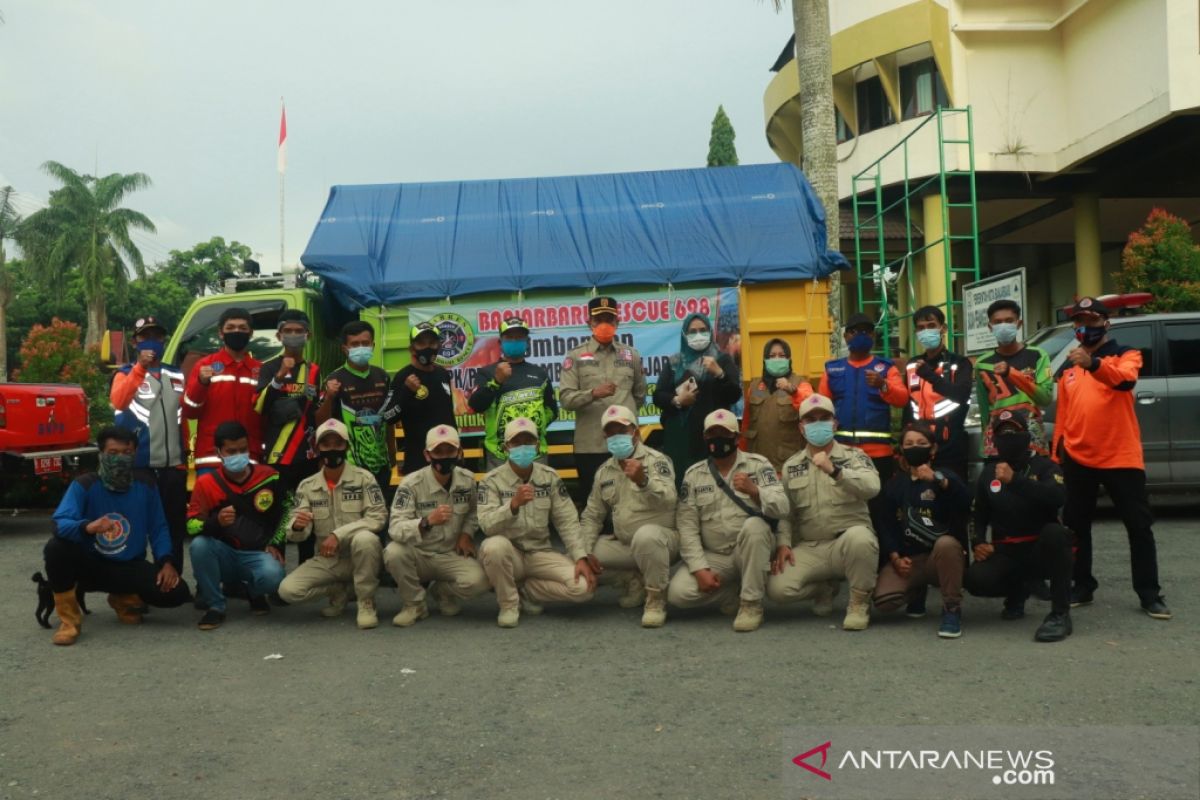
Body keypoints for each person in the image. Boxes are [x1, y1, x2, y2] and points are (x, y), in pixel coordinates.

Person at [1052, 297, 1170, 619]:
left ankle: (1149, 594)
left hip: (1121, 456)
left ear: (1106, 323)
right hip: (1078, 457)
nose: (1084, 328)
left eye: (1091, 321)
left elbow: (1124, 381)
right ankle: (1082, 585)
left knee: (1138, 526)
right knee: (1075, 527)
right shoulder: (1069, 366)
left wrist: (1093, 364)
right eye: (1078, 322)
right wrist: (1056, 452)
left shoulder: (1126, 354)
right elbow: (1064, 413)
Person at [44, 426, 191, 646]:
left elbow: (159, 527)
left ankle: (122, 596)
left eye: (127, 453)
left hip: (128, 565)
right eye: (113, 453)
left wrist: (166, 562)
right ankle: (70, 620)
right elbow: (59, 523)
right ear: (101, 454)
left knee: (177, 592)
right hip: (89, 565)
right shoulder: (84, 484)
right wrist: (86, 527)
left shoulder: (146, 485)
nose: (120, 458)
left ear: (135, 455)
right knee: (56, 548)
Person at [666, 409, 788, 633]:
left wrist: (756, 492)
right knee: (678, 594)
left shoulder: (758, 465)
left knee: (755, 526)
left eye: (724, 433)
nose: (717, 439)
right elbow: (687, 526)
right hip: (716, 555)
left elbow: (782, 507)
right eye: (712, 435)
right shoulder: (694, 475)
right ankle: (733, 592)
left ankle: (751, 604)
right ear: (705, 438)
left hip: (749, 550)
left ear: (737, 437)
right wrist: (699, 568)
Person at [767, 394, 881, 631]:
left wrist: (836, 471)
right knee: (777, 589)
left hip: (845, 544)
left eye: (824, 418)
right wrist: (784, 543)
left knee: (861, 538)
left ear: (835, 424)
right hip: (811, 548)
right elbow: (786, 513)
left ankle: (859, 603)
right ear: (801, 427)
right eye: (811, 420)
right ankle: (823, 588)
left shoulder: (854, 456)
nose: (817, 423)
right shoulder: (791, 465)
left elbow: (873, 487)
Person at [965, 409, 1075, 642]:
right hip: (1007, 551)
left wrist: (1016, 481)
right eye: (1002, 434)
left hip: (1040, 549)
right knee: (975, 579)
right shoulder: (988, 474)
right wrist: (978, 542)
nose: (1008, 438)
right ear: (995, 441)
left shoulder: (1044, 467)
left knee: (1057, 534)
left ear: (1026, 436)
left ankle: (1060, 614)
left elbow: (1058, 497)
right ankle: (1018, 590)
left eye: (1014, 432)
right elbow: (978, 514)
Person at [476, 417, 595, 627]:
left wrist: (580, 557)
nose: (523, 447)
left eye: (528, 442)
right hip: (509, 554)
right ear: (506, 447)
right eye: (516, 442)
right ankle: (508, 604)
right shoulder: (491, 481)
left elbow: (567, 520)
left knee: (583, 588)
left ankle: (527, 591)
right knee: (493, 547)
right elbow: (486, 525)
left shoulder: (549, 477)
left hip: (540, 553)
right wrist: (512, 505)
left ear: (538, 445)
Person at [277, 419, 387, 629]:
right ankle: (338, 591)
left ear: (346, 445)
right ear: (318, 448)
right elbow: (296, 534)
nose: (332, 449)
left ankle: (366, 602)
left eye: (338, 443)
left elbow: (378, 517)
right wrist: (298, 526)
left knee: (366, 538)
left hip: (361, 556)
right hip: (329, 560)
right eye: (326, 444)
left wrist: (339, 534)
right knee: (288, 590)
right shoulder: (307, 486)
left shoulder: (364, 478)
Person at [578, 405, 678, 627]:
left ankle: (655, 599)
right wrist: (583, 552)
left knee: (646, 536)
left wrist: (644, 481)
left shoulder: (656, 460)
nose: (616, 436)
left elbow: (670, 499)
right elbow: (592, 515)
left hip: (662, 542)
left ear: (635, 431)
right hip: (625, 544)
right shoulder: (604, 471)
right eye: (611, 432)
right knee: (576, 555)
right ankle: (631, 579)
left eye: (622, 430)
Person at [871, 421, 970, 638]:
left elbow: (965, 501)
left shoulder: (944, 476)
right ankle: (917, 592)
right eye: (909, 444)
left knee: (947, 544)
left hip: (941, 558)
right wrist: (896, 557)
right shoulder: (896, 484)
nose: (915, 447)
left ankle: (952, 608)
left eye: (921, 443)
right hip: (911, 559)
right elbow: (886, 523)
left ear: (932, 449)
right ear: (903, 450)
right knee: (883, 601)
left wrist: (939, 481)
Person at [384, 424, 490, 627]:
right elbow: (395, 528)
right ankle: (414, 604)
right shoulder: (411, 484)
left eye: (449, 450)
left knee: (481, 582)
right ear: (427, 455)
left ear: (459, 453)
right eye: (437, 452)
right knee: (393, 552)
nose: (444, 456)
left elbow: (474, 511)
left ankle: (441, 591)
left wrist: (466, 534)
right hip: (419, 554)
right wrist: (426, 522)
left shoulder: (467, 480)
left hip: (450, 553)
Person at [186, 421, 286, 630]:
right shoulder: (206, 483)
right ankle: (215, 606)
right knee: (199, 546)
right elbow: (190, 526)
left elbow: (286, 512)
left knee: (275, 576)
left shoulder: (269, 475)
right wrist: (215, 522)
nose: (238, 455)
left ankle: (254, 592)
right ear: (218, 452)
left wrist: (276, 544)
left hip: (256, 552)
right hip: (224, 553)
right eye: (231, 451)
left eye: (243, 449)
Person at [110, 315, 189, 573]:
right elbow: (119, 402)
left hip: (172, 466)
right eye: (145, 337)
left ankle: (172, 580)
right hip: (139, 467)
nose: (152, 342)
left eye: (157, 336)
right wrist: (139, 369)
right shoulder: (123, 374)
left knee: (173, 526)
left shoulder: (177, 374)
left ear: (164, 340)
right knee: (137, 527)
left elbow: (188, 415)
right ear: (135, 342)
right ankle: (138, 585)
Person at [817, 312, 907, 538]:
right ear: (846, 336)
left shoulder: (886, 368)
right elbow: (821, 407)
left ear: (873, 336)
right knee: (844, 508)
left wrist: (883, 385)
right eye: (856, 331)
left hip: (879, 455)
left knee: (880, 511)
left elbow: (902, 398)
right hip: (842, 453)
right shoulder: (832, 369)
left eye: (867, 331)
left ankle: (885, 560)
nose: (862, 335)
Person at [559, 295, 648, 500]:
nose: (604, 325)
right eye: (599, 320)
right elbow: (565, 399)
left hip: (626, 443)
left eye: (609, 319)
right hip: (591, 445)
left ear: (618, 322)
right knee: (595, 503)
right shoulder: (575, 356)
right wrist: (592, 394)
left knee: (631, 499)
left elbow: (640, 396)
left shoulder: (630, 355)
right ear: (589, 322)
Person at [254, 309, 321, 561]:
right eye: (288, 331)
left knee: (307, 514)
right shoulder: (268, 367)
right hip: (277, 456)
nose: (293, 336)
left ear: (308, 335)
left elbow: (316, 411)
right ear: (279, 335)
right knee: (280, 517)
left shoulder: (314, 371)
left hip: (308, 456)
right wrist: (278, 379)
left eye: (298, 331)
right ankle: (276, 575)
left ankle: (306, 570)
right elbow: (259, 406)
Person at [652, 313, 741, 485]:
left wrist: (720, 374)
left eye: (703, 330)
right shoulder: (675, 362)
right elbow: (658, 396)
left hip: (713, 435)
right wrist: (678, 400)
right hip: (680, 438)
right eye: (692, 331)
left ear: (710, 332)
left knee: (714, 485)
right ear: (685, 335)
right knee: (682, 484)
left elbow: (734, 395)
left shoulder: (722, 359)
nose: (698, 335)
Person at [317, 320, 395, 501]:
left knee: (380, 516)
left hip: (381, 465)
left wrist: (392, 453)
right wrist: (329, 397)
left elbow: (388, 418)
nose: (361, 348)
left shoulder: (382, 376)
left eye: (365, 343)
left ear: (373, 345)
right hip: (350, 466)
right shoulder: (334, 379)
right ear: (345, 348)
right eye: (355, 344)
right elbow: (320, 422)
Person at [468, 317, 558, 470]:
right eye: (509, 337)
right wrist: (496, 382)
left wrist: (536, 427)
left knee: (539, 494)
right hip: (500, 454)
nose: (515, 341)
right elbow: (475, 405)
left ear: (527, 341)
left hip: (535, 454)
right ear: (500, 342)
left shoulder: (539, 373)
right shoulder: (487, 373)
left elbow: (552, 410)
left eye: (519, 337)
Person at [183, 307, 263, 472]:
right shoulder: (204, 366)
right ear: (221, 333)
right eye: (230, 328)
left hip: (249, 457)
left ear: (251, 333)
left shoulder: (260, 370)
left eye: (242, 328)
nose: (236, 331)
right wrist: (201, 383)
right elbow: (190, 411)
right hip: (212, 458)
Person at [974, 300, 1054, 457]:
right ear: (990, 327)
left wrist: (1012, 374)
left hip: (1031, 440)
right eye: (998, 322)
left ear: (1019, 324)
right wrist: (986, 442)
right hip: (997, 441)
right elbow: (984, 410)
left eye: (1009, 321)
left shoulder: (1037, 355)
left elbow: (1045, 398)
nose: (1003, 326)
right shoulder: (982, 363)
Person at [904, 305, 973, 480]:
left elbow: (962, 395)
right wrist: (903, 446)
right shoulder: (912, 365)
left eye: (931, 325)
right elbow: (908, 405)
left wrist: (930, 376)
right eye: (921, 328)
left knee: (952, 495)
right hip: (919, 446)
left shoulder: (960, 362)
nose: (926, 331)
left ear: (943, 328)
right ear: (916, 332)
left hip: (950, 445)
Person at [382, 322, 455, 476]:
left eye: (432, 343)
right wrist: (406, 392)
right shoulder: (403, 377)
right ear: (411, 348)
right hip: (417, 460)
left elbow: (449, 414)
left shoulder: (443, 373)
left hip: (447, 455)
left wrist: (457, 445)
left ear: (439, 345)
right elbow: (388, 417)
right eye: (421, 343)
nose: (428, 348)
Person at [742, 338, 813, 472]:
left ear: (789, 360)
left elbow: (811, 407)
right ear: (764, 360)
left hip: (789, 466)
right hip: (757, 465)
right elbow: (746, 425)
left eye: (782, 356)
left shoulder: (800, 383)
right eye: (772, 356)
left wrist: (793, 391)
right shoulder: (754, 386)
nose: (776, 359)